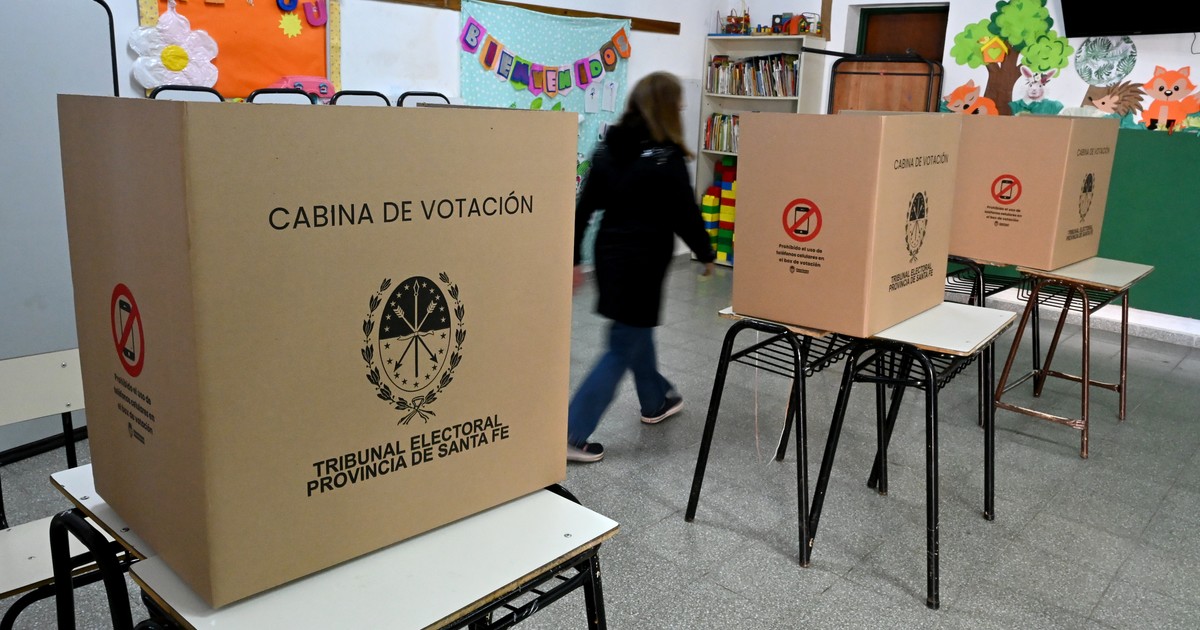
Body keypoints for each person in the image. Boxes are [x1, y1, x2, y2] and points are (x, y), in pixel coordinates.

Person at [568, 71, 717, 463]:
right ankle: (571, 433)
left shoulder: (607, 147)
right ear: (666, 108)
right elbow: (685, 213)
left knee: (633, 330)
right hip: (644, 262)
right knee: (623, 343)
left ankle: (656, 400)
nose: (683, 107)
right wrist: (706, 253)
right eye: (678, 102)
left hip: (609, 256)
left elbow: (583, 209)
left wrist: (575, 260)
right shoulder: (666, 157)